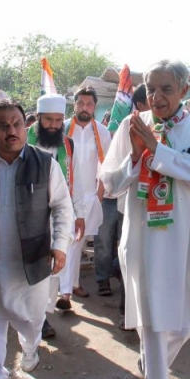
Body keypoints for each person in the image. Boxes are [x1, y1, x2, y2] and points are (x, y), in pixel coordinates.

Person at [100, 60, 190, 379]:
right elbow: (109, 183)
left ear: (183, 90)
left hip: (183, 241)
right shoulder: (131, 125)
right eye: (151, 89)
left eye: (166, 89)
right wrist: (136, 157)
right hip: (143, 239)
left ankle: (152, 372)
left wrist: (158, 150)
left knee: (183, 324)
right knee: (153, 323)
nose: (156, 96)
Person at [0, 99, 74, 379]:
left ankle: (30, 347)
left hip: (32, 259)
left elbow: (63, 207)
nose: (11, 131)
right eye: (3, 126)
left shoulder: (45, 163)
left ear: (25, 126)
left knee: (32, 320)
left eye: (17, 124)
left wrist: (60, 245)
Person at [26, 94, 85, 332]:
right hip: (27, 215)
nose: (53, 125)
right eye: (48, 120)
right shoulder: (22, 140)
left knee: (54, 266)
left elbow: (76, 180)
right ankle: (26, 315)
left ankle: (42, 316)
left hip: (58, 214)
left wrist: (80, 214)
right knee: (28, 266)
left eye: (58, 120)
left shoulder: (68, 144)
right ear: (38, 117)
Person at [95, 84, 148, 328]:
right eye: (153, 96)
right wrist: (135, 157)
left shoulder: (178, 125)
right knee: (127, 257)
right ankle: (126, 311)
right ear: (141, 105)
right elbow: (110, 176)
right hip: (129, 207)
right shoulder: (127, 126)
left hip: (164, 212)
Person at [60, 86, 112, 301]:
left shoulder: (102, 132)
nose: (84, 107)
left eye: (89, 104)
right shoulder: (62, 128)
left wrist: (99, 196)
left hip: (90, 196)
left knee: (77, 242)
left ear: (94, 107)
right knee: (69, 241)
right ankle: (65, 292)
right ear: (74, 105)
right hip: (64, 195)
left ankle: (72, 284)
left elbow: (107, 166)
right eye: (80, 103)